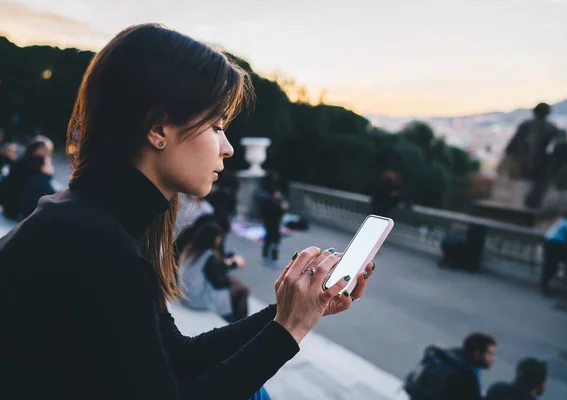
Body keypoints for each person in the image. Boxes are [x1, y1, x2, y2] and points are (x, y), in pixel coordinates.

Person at [0, 23, 374, 400]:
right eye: (216, 126)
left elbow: (177, 356)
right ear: (158, 128)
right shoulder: (98, 246)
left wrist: (296, 308)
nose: (227, 147)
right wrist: (289, 327)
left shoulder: (90, 219)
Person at [178, 221, 250, 322]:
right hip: (196, 299)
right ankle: (240, 323)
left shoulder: (192, 250)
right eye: (219, 237)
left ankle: (238, 321)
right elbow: (219, 281)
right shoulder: (208, 255)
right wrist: (234, 265)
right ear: (213, 238)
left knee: (235, 284)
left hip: (185, 296)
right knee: (242, 289)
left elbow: (215, 269)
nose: (220, 240)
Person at [405, 332, 496, 400]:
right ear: (477, 354)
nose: (493, 359)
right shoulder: (467, 373)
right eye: (490, 354)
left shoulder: (448, 355)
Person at [0, 136, 53, 220]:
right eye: (46, 150)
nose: (48, 154)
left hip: (15, 210)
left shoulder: (28, 161)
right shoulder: (29, 165)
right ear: (37, 150)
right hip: (17, 211)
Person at [540, 211, 567, 294]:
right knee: (552, 265)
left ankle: (544, 284)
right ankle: (545, 286)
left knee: (548, 264)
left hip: (548, 243)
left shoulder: (559, 221)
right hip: (555, 245)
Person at [257, 170, 289, 268]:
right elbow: (277, 210)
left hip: (270, 220)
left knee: (269, 238)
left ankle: (267, 257)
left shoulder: (265, 195)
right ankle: (272, 258)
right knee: (274, 239)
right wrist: (282, 207)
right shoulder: (271, 199)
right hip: (272, 220)